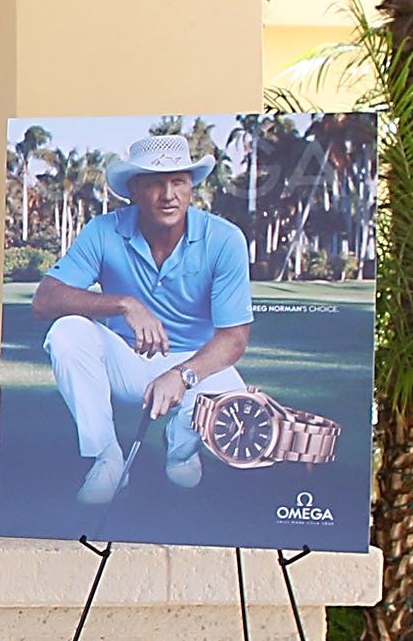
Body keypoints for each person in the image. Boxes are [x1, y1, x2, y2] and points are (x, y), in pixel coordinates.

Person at [31, 130, 251, 505]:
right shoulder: (104, 230)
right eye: (155, 184)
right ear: (133, 190)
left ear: (191, 187)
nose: (168, 195)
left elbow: (234, 338)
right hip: (125, 362)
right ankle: (108, 458)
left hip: (194, 367)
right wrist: (125, 305)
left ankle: (180, 449)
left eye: (178, 182)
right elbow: (45, 301)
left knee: (233, 391)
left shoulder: (224, 239)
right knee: (66, 332)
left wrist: (182, 375)